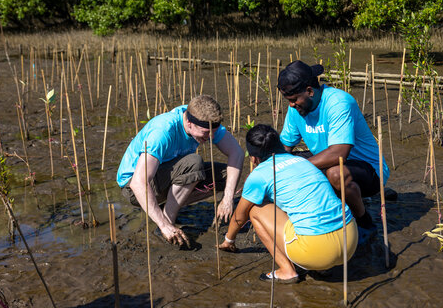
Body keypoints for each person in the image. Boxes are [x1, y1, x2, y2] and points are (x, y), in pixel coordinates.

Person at [219, 124, 357, 283]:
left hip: (316, 251)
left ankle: (287, 270)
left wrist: (229, 240)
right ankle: (324, 267)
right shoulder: (303, 161)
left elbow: (240, 215)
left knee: (254, 210)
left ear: (253, 158)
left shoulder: (259, 175)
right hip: (350, 241)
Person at [276, 60, 390, 244]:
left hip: (368, 171)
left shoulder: (338, 102)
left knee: (335, 173)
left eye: (294, 99)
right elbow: (284, 147)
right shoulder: (296, 109)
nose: (291, 105)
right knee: (280, 163)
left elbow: (339, 153)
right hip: (327, 163)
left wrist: (296, 169)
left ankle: (365, 223)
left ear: (310, 91)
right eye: (288, 100)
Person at [117, 95, 244, 247]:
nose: (210, 137)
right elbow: (138, 183)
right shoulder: (163, 132)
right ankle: (165, 223)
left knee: (225, 176)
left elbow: (237, 153)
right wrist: (164, 226)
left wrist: (228, 198)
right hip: (133, 187)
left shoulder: (204, 121)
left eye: (213, 132)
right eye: (205, 133)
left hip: (165, 176)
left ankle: (165, 210)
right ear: (189, 123)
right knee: (193, 162)